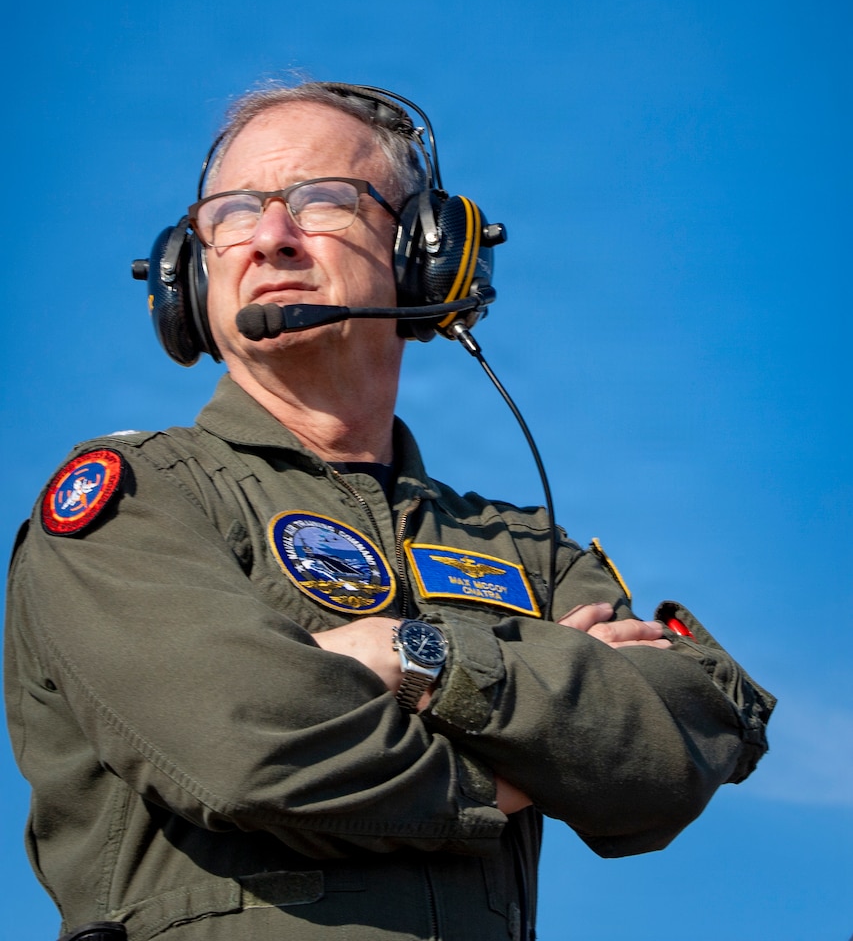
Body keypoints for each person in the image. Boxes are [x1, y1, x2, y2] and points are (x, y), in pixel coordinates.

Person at [5, 80, 775, 941]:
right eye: (230, 213)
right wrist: (525, 760)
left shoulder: (524, 547)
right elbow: (247, 746)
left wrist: (411, 657)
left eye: (320, 201)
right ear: (188, 268)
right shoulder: (139, 498)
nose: (269, 237)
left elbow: (681, 731)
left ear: (426, 252)